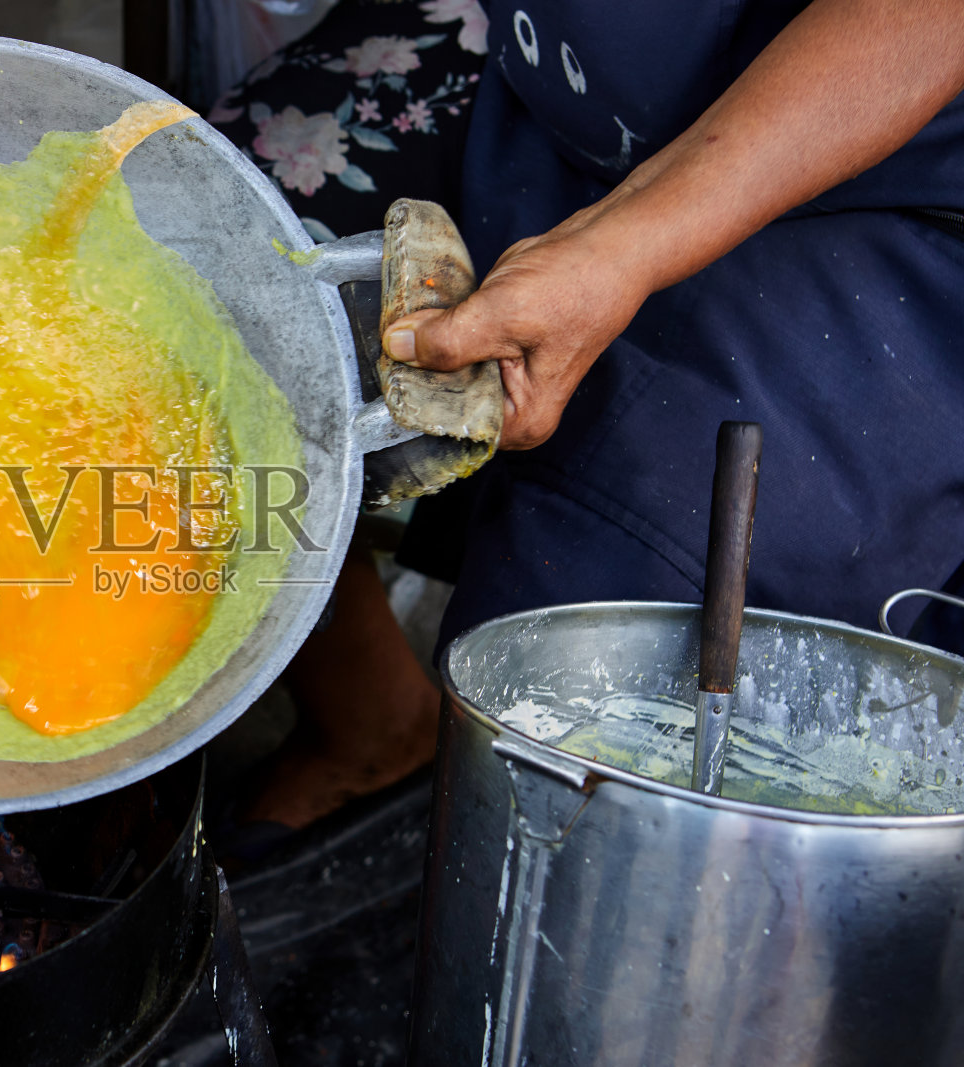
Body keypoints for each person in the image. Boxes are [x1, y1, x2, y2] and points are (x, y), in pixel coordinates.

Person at [209, 0, 964, 830]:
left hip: (873, 175)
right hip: (543, 76)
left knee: (575, 668)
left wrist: (618, 248)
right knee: (201, 269)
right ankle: (371, 722)